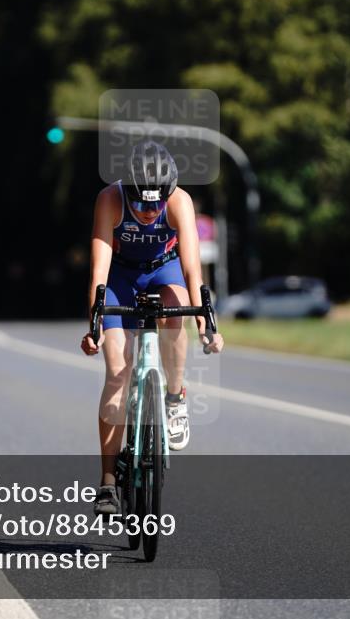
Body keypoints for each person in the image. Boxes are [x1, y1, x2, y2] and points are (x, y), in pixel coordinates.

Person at [80, 141, 224, 515]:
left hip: (164, 269)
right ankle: (107, 482)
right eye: (140, 204)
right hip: (120, 277)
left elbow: (192, 267)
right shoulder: (110, 199)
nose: (148, 212)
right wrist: (95, 324)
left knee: (176, 309)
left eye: (155, 204)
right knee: (117, 372)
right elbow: (98, 270)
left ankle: (174, 397)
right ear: (127, 191)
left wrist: (206, 320)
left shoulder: (179, 201)